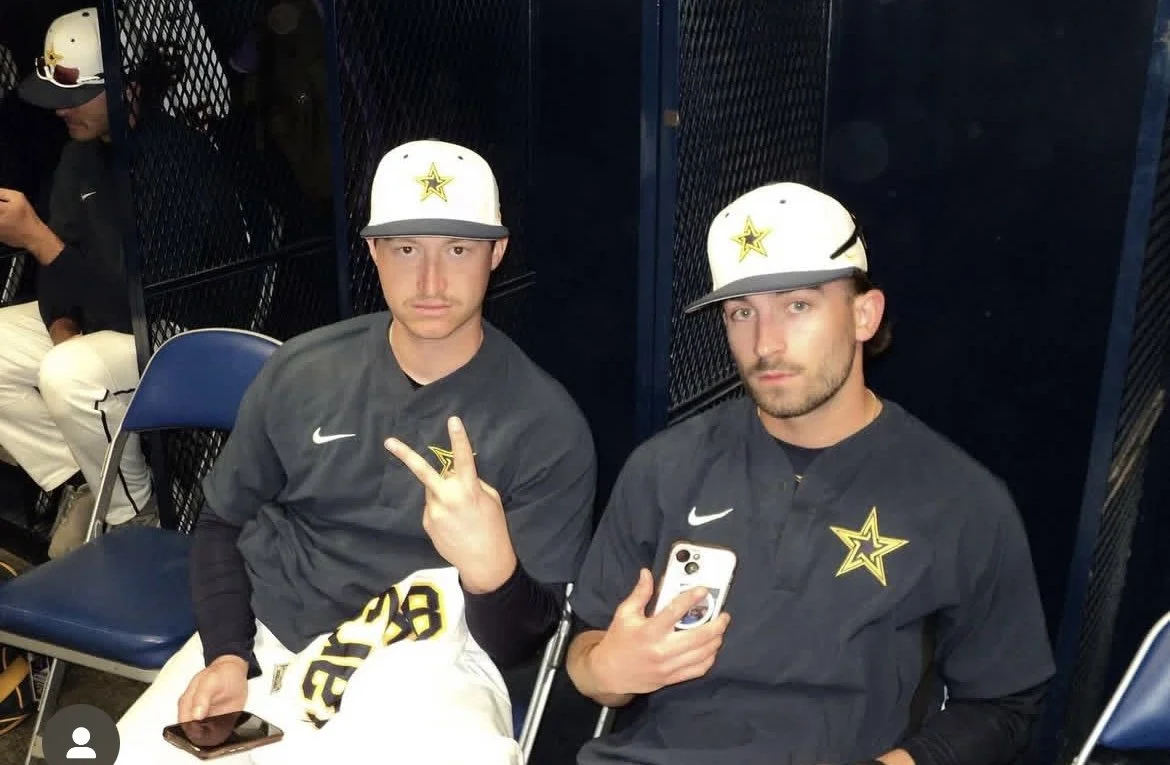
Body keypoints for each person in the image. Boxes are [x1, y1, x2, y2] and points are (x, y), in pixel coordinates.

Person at [113, 139, 597, 765]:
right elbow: (222, 521)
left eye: (457, 249)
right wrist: (228, 653)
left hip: (437, 658)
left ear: (496, 253)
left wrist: (491, 568)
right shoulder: (303, 370)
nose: (429, 280)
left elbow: (523, 644)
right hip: (271, 639)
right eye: (404, 249)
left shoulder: (545, 423)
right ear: (373, 251)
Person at [566, 182, 1055, 765]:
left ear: (864, 314)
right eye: (741, 312)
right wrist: (608, 668)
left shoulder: (962, 500)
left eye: (798, 305)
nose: (765, 342)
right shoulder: (665, 468)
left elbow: (1003, 707)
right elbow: (587, 650)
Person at [0, 8, 247, 559]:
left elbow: (140, 303)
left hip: (183, 330)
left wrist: (38, 239)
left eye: (75, 95)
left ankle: (138, 515)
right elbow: (60, 281)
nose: (61, 109)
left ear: (128, 86)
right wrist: (63, 326)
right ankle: (90, 481)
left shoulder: (178, 160)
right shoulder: (78, 156)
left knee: (67, 374)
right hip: (105, 323)